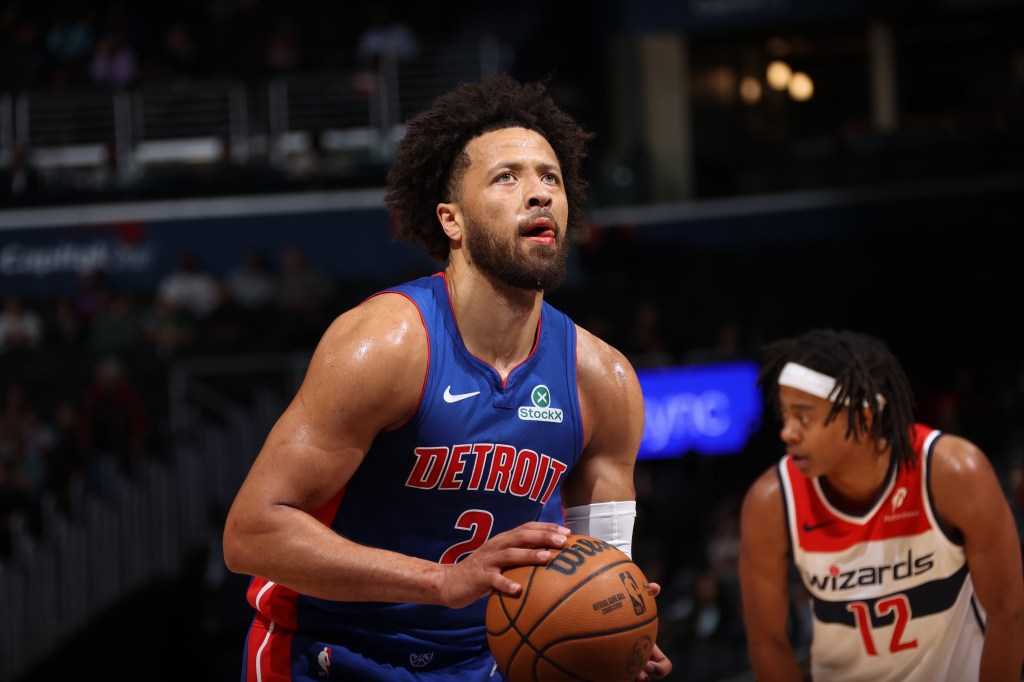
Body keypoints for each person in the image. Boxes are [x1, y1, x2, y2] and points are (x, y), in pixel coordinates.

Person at [222, 72, 672, 681]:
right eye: (507, 177)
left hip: (483, 663)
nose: (538, 194)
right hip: (331, 650)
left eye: (551, 178)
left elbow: (605, 573)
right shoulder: (386, 344)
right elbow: (252, 533)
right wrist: (441, 581)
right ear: (451, 221)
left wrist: (612, 642)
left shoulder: (606, 380)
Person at [738, 328, 1024, 682]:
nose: (787, 432)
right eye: (785, 417)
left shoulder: (951, 473)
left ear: (862, 417)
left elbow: (1007, 613)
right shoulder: (772, 502)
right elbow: (767, 642)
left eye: (804, 417)